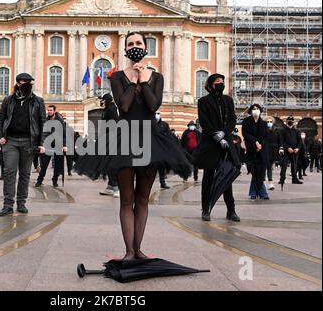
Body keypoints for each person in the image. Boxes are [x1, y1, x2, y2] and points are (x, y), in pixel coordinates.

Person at [75, 32, 191, 260]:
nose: (134, 46)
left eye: (138, 43)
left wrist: (144, 79)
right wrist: (134, 79)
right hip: (124, 139)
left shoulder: (157, 77)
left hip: (151, 139)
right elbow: (125, 106)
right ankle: (129, 251)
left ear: (145, 48)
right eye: (131, 44)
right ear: (126, 49)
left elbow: (153, 104)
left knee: (143, 199)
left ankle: (139, 249)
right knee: (127, 199)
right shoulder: (117, 76)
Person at [0, 73, 46, 216]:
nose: (28, 85)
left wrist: (41, 142)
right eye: (25, 82)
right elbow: (0, 119)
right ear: (18, 83)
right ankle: (7, 204)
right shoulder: (8, 100)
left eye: (30, 82)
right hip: (10, 141)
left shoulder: (38, 101)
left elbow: (43, 122)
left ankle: (21, 202)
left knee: (25, 174)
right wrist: (0, 136)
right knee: (9, 172)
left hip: (28, 142)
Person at [193, 73, 241, 222]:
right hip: (210, 144)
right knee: (208, 178)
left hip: (226, 143)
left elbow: (232, 120)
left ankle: (231, 210)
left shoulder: (228, 100)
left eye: (222, 81)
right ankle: (206, 209)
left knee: (226, 177)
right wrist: (216, 136)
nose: (221, 83)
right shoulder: (203, 101)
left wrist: (224, 133)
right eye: (217, 81)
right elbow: (204, 121)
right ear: (210, 85)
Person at [242, 104, 270, 200]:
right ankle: (262, 193)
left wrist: (261, 145)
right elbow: (245, 134)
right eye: (254, 109)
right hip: (251, 150)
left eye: (257, 109)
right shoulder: (246, 121)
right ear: (250, 111)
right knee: (254, 172)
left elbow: (266, 137)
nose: (256, 110)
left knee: (261, 173)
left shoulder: (264, 123)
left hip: (262, 152)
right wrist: (255, 142)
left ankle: (255, 193)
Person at [35, 105, 66, 188]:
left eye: (51, 110)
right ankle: (39, 180)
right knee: (44, 164)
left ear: (54, 111)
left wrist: (64, 145)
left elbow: (64, 133)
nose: (49, 112)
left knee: (57, 164)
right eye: (48, 110)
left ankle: (54, 180)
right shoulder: (45, 120)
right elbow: (43, 133)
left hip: (58, 144)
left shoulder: (60, 120)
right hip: (48, 144)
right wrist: (41, 144)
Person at [98, 93, 121, 197]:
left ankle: (116, 188)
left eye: (103, 100)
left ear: (106, 100)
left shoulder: (111, 109)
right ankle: (110, 186)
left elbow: (115, 123)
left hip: (111, 140)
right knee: (107, 163)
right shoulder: (108, 109)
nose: (101, 102)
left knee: (111, 163)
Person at [279, 116, 303, 185]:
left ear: (294, 122)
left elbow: (300, 141)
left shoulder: (297, 130)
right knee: (284, 165)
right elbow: (282, 141)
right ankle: (282, 179)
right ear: (286, 121)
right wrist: (287, 148)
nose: (290, 122)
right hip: (286, 151)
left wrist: (297, 148)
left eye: (292, 121)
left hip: (295, 151)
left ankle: (294, 179)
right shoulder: (283, 130)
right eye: (289, 120)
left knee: (294, 166)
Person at [155, 111, 172, 189]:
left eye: (158, 113)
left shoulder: (164, 125)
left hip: (161, 148)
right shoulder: (148, 123)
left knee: (162, 167)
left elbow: (169, 136)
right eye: (155, 113)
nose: (156, 115)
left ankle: (163, 182)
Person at [265, 117, 282, 190]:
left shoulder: (276, 131)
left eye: (270, 121)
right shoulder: (263, 130)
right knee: (264, 167)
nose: (269, 123)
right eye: (268, 121)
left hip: (273, 151)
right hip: (265, 150)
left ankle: (270, 182)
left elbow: (280, 140)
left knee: (269, 167)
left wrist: (281, 148)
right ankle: (263, 182)